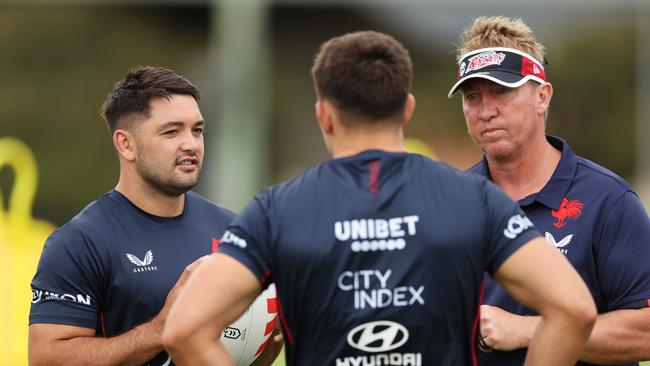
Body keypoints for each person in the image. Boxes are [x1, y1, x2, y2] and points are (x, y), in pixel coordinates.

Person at [162, 30, 596, 366]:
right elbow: (573, 309)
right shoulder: (476, 199)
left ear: (324, 116)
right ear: (406, 109)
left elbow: (185, 329)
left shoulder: (276, 209)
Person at [28, 66, 281, 366]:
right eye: (172, 131)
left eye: (197, 130)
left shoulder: (234, 230)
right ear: (126, 144)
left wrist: (265, 342)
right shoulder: (79, 243)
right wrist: (160, 330)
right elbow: (46, 359)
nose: (191, 144)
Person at [447, 16, 650, 366]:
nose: (486, 111)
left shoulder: (608, 200)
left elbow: (645, 333)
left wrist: (530, 330)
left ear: (542, 96)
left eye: (502, 91)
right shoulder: (451, 204)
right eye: (473, 96)